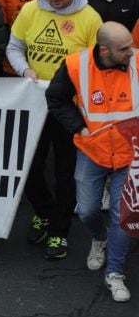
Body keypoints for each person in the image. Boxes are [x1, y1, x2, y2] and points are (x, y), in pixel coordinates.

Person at [7, 0, 102, 260]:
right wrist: (24, 69)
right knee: (29, 167)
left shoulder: (89, 17)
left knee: (65, 171)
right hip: (34, 101)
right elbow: (14, 47)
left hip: (69, 106)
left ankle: (60, 231)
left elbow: (96, 63)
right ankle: (43, 212)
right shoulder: (31, 11)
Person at [46, 21, 136, 303]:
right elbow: (56, 98)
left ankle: (115, 272)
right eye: (123, 50)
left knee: (122, 218)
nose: (130, 53)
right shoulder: (75, 65)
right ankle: (99, 238)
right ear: (105, 50)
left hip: (128, 154)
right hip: (91, 150)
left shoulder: (136, 61)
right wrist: (78, 127)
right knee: (86, 211)